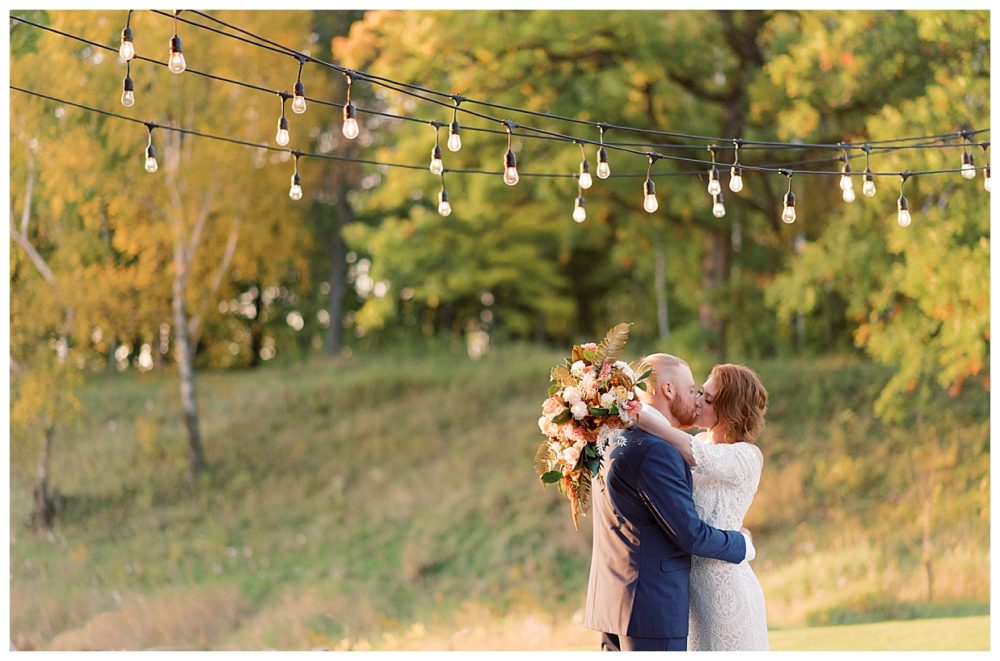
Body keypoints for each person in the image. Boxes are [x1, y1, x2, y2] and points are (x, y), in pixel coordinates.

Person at [584, 353, 754, 652]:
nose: (696, 399)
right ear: (668, 390)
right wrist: (742, 543)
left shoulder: (612, 437)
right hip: (650, 609)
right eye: (693, 391)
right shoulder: (656, 451)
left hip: (614, 603)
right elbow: (690, 534)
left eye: (705, 396)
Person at [636, 362, 769, 651]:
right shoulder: (696, 440)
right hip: (688, 586)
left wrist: (643, 413)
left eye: (707, 399)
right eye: (700, 393)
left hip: (725, 585)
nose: (696, 401)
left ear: (730, 411)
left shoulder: (745, 456)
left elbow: (692, 453)